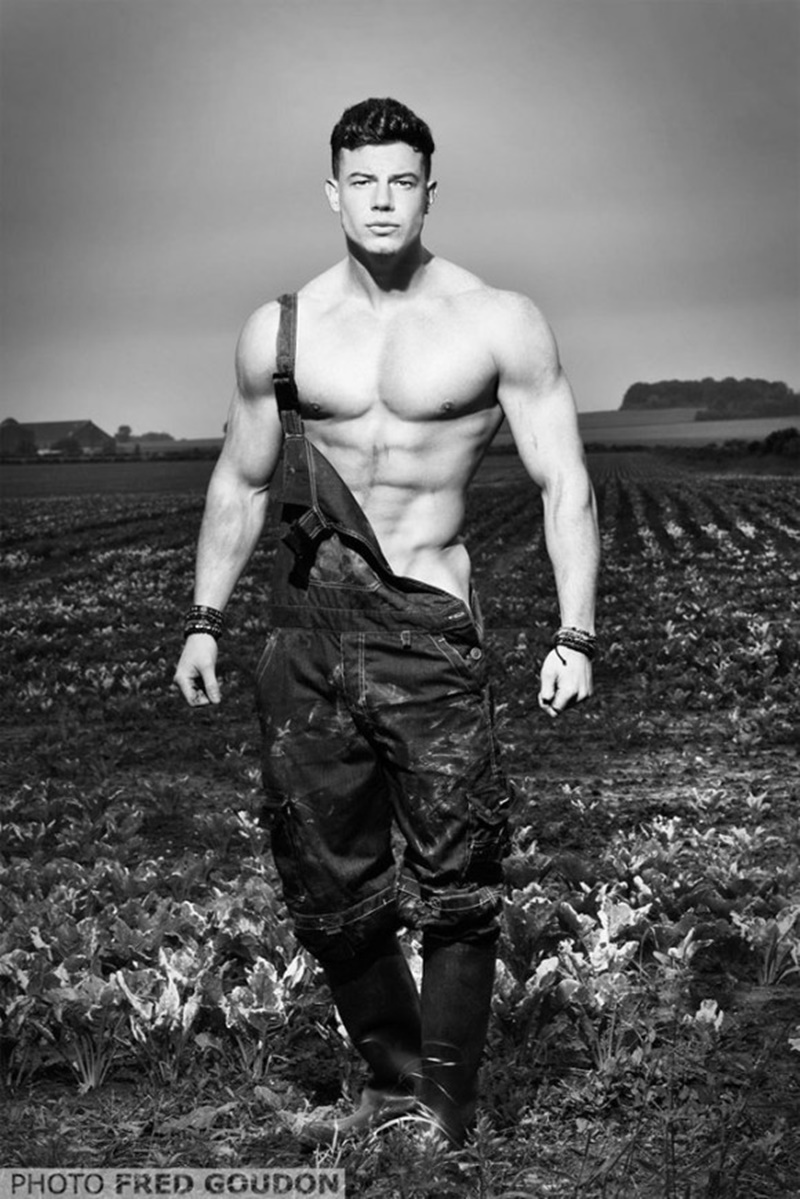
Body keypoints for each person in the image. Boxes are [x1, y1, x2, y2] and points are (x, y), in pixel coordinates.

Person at [174, 97, 599, 1146]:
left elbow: (565, 483)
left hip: (427, 629)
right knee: (323, 876)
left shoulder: (497, 320)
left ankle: (446, 1115)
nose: (380, 200)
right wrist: (204, 618)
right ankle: (397, 1078)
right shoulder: (280, 330)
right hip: (307, 632)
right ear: (332, 192)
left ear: (427, 192)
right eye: (361, 181)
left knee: (458, 878)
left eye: (400, 181)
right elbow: (240, 480)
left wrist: (574, 633)